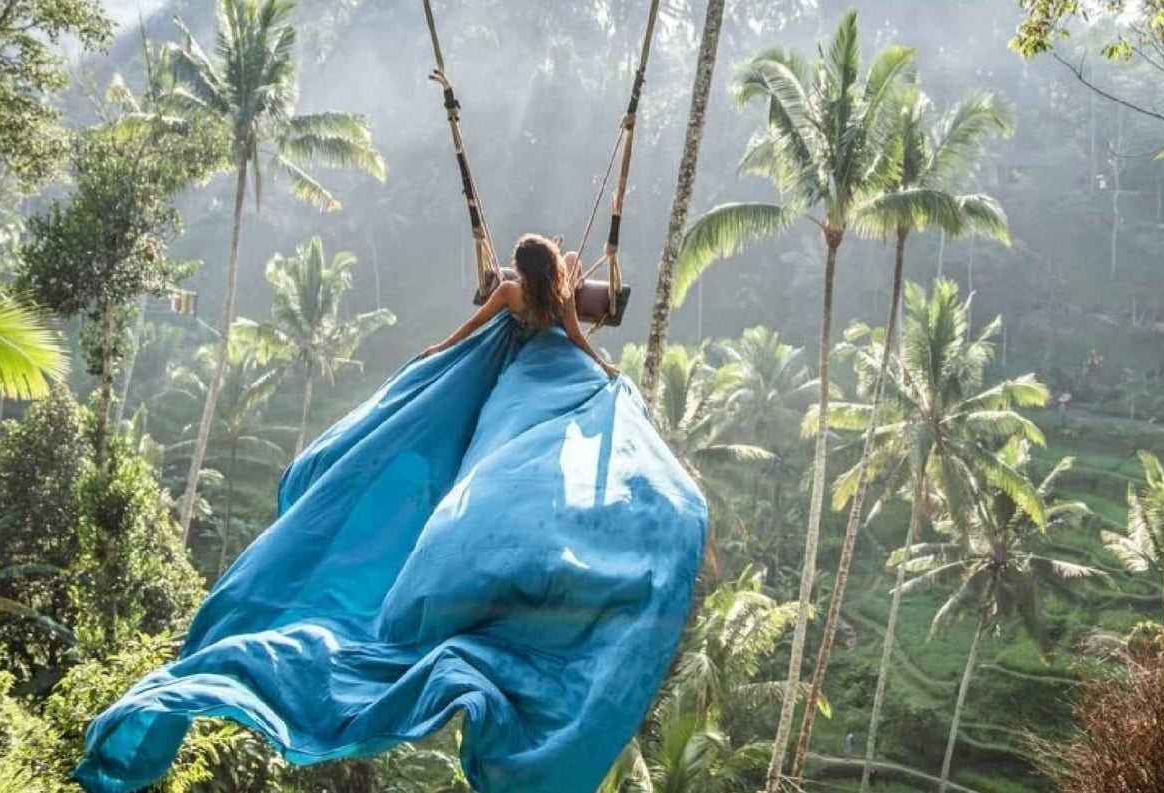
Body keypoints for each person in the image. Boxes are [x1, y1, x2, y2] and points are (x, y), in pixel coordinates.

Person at [74, 231, 704, 793]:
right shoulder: (558, 298)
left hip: (518, 384)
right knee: (517, 464)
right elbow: (574, 337)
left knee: (496, 460)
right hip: (545, 375)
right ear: (554, 274)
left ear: (520, 269)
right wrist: (605, 369)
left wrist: (435, 351)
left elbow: (468, 331)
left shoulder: (512, 296)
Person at [420, 233, 619, 380]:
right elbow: (575, 335)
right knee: (572, 258)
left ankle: (553, 252)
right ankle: (558, 257)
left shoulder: (509, 291)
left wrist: (442, 347)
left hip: (528, 326)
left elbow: (475, 322)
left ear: (520, 270)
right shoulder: (563, 293)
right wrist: (602, 365)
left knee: (571, 259)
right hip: (553, 310)